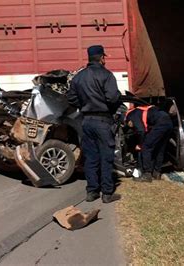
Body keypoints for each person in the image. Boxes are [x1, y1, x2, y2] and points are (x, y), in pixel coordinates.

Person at [67, 45, 121, 203]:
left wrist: (83, 105)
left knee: (90, 157)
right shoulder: (107, 75)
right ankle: (107, 193)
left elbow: (71, 99)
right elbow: (112, 98)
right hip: (103, 121)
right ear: (102, 58)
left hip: (86, 121)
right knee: (106, 157)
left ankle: (92, 192)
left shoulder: (78, 77)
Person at [125, 105, 173, 182]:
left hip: (160, 123)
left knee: (145, 147)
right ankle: (156, 173)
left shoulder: (131, 115)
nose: (131, 127)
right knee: (160, 148)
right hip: (168, 122)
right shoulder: (139, 111)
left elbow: (141, 130)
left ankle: (147, 174)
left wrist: (140, 144)